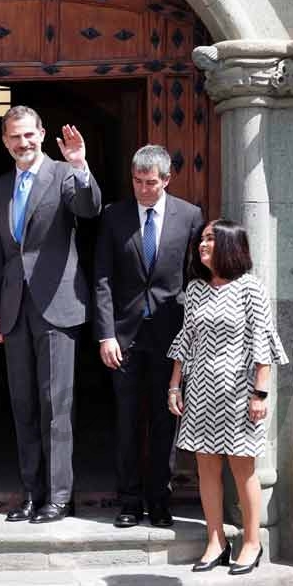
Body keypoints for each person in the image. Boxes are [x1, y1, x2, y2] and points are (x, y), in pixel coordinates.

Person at [0, 105, 102, 523]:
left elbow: (89, 208)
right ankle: (32, 494)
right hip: (16, 308)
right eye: (15, 137)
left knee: (56, 404)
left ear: (42, 133)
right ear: (5, 141)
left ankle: (59, 496)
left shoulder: (63, 175)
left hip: (58, 305)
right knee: (23, 405)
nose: (23, 143)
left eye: (29, 135)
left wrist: (80, 165)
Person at [167, 219, 287, 574]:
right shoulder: (196, 289)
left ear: (230, 244)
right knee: (206, 469)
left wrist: (260, 393)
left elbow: (262, 341)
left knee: (243, 469)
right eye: (202, 239)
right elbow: (185, 339)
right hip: (201, 391)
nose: (203, 244)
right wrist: (175, 385)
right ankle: (215, 540)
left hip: (239, 392)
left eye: (211, 239)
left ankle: (252, 541)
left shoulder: (251, 288)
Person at [94, 144, 201, 528]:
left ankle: (159, 500)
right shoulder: (114, 216)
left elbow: (194, 276)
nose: (143, 189)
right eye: (137, 182)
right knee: (126, 422)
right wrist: (106, 334)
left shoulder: (190, 216)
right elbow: (103, 278)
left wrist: (192, 330)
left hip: (170, 336)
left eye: (150, 183)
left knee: (163, 422)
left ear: (166, 180)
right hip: (124, 336)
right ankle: (128, 501)